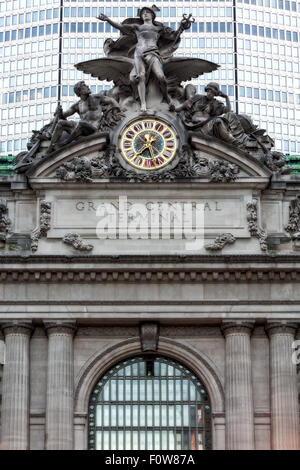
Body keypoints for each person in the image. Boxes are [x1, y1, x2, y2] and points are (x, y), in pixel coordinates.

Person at [98, 6, 193, 111]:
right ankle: (143, 104)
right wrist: (108, 20)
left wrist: (182, 28)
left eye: (147, 12)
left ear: (152, 15)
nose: (145, 14)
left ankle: (166, 97)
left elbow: (173, 37)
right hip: (139, 54)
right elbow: (120, 26)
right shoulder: (137, 27)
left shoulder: (159, 29)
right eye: (143, 13)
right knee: (141, 76)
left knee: (161, 77)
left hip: (153, 53)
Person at [47, 81, 120, 153]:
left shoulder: (97, 98)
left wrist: (119, 109)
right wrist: (59, 112)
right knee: (60, 123)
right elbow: (63, 115)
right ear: (79, 91)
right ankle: (50, 148)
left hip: (93, 127)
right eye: (84, 86)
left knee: (82, 123)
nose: (88, 87)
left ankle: (65, 143)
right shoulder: (77, 105)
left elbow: (111, 100)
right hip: (80, 129)